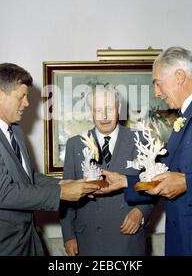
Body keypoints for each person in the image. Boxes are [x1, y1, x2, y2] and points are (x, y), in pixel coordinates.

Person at [101, 47, 192, 256]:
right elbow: (166, 175)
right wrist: (125, 182)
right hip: (184, 242)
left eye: (158, 84)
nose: (156, 93)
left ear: (179, 76)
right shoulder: (184, 118)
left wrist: (188, 183)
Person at [0, 63, 99, 256]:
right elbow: (4, 193)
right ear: (0, 95)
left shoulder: (15, 131)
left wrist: (64, 183)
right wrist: (60, 192)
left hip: (28, 243)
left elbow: (28, 178)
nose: (27, 103)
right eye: (21, 96)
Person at [60, 84, 154, 256]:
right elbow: (66, 195)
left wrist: (141, 212)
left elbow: (153, 185)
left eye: (109, 109)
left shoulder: (141, 140)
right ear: (90, 112)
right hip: (87, 242)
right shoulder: (75, 144)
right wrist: (68, 236)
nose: (103, 116)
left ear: (118, 109)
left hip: (128, 241)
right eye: (97, 110)